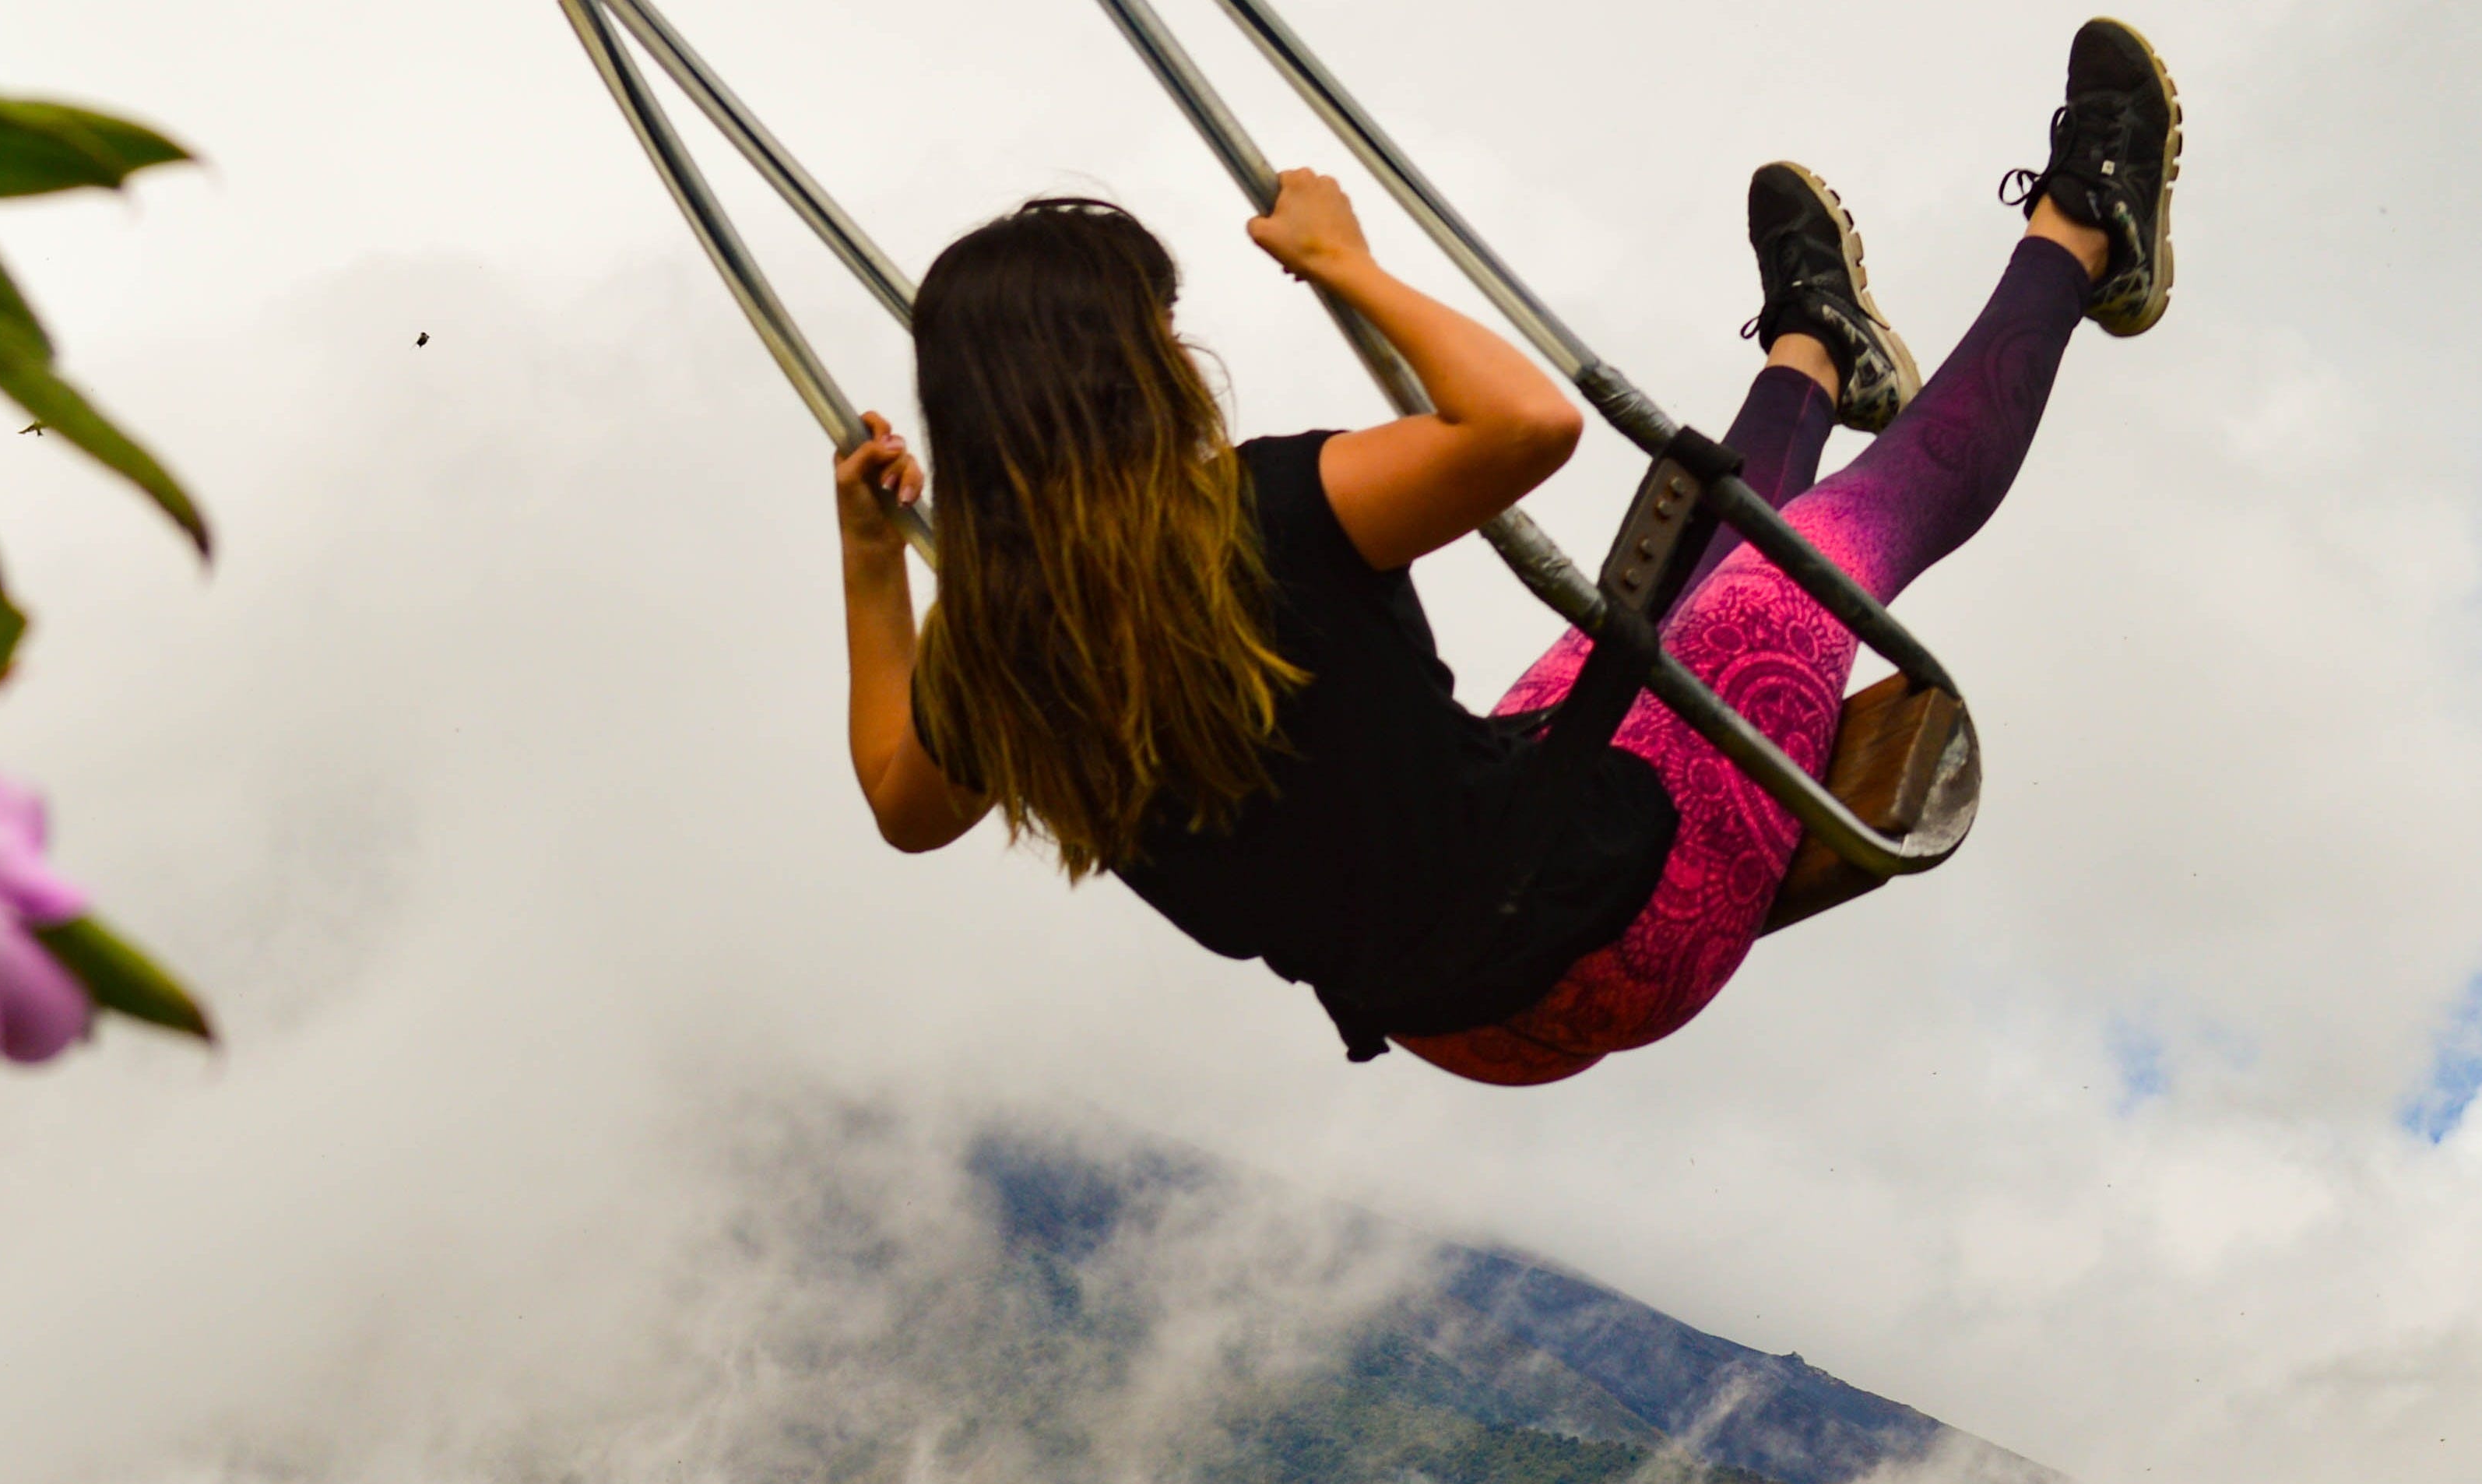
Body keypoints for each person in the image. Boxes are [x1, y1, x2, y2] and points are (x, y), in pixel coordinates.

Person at [831, 21, 2181, 1085]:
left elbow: (903, 800)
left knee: (1678, 587)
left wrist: (871, 557)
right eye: (1159, 334)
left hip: (1465, 1008)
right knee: (1824, 550)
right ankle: (2088, 231)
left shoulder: (998, 655)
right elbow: (1527, 423)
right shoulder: (1270, 509)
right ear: (1122, 375)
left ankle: (1815, 351)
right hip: (1615, 925)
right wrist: (1343, 265)